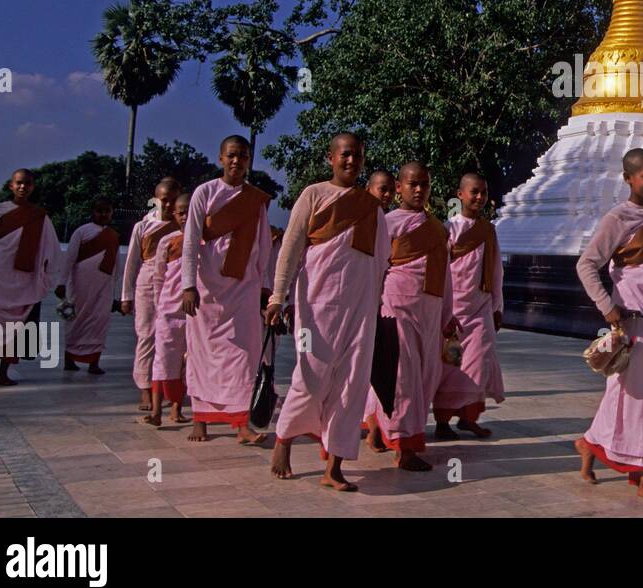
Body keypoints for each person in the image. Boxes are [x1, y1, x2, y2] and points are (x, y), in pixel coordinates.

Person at [268, 133, 390, 491]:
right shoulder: (314, 195)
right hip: (316, 304)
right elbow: (290, 247)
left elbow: (381, 261)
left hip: (360, 308)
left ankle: (334, 466)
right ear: (331, 158)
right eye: (345, 155)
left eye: (358, 156)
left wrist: (376, 304)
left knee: (352, 382)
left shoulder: (373, 209)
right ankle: (284, 440)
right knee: (311, 375)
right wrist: (278, 296)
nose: (351, 161)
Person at [573, 148, 643, 505]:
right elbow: (586, 265)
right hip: (633, 323)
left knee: (638, 395)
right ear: (628, 179)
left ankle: (589, 444)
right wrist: (607, 307)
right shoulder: (617, 219)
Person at [363, 162, 457, 472]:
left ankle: (378, 426)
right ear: (399, 188)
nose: (419, 190)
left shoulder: (437, 227)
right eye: (412, 184)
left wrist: (448, 315)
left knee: (425, 376)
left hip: (429, 310)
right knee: (403, 376)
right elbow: (375, 267)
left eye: (424, 184)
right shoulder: (386, 223)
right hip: (395, 306)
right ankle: (405, 446)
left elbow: (446, 276)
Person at [181, 136, 271, 445]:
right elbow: (191, 240)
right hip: (207, 289)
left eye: (243, 156)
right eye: (231, 155)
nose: (237, 161)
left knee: (244, 354)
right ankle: (200, 419)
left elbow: (263, 246)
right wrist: (188, 285)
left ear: (249, 160)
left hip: (244, 287)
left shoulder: (255, 199)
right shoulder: (204, 193)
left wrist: (264, 286)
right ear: (220, 158)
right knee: (202, 353)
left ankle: (242, 423)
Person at [0, 169, 58, 386]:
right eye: (18, 183)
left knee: (16, 328)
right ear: (11, 185)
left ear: (33, 187)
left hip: (24, 280)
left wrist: (47, 277)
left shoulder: (40, 216)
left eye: (27, 183)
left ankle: (3, 372)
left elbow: (52, 250)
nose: (23, 187)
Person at [435, 172, 504, 440]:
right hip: (452, 308)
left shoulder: (489, 230)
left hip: (481, 307)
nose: (479, 197)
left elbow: (496, 270)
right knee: (450, 365)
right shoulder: (448, 229)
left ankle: (468, 417)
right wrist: (441, 310)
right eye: (474, 192)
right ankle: (442, 422)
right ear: (460, 194)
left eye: (483, 193)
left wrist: (497, 307)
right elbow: (441, 272)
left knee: (477, 363)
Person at [123, 177, 182, 411]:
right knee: (146, 334)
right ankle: (145, 389)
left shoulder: (184, 225)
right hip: (147, 280)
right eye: (164, 201)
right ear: (155, 200)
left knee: (172, 337)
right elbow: (131, 262)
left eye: (173, 200)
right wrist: (126, 296)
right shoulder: (143, 226)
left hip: (175, 281)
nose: (168, 206)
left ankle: (170, 389)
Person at [55, 199, 120, 374]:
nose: (104, 214)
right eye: (100, 211)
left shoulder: (113, 235)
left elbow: (116, 265)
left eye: (107, 211)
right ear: (93, 212)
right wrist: (61, 282)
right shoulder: (81, 231)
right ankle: (69, 360)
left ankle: (94, 363)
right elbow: (69, 258)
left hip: (104, 287)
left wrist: (115, 290)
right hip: (80, 285)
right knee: (76, 320)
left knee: (99, 321)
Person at [144, 193, 192, 427]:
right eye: (181, 212)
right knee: (163, 359)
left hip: (194, 312)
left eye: (189, 211)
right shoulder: (168, 241)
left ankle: (177, 407)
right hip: (168, 309)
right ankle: (155, 411)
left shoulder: (205, 242)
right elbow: (158, 277)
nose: (185, 216)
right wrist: (158, 305)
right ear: (174, 214)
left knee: (187, 361)